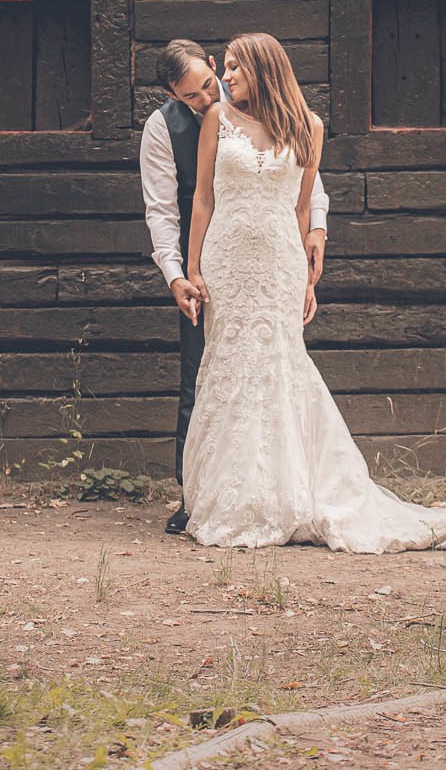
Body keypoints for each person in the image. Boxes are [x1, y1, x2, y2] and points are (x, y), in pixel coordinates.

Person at [178, 32, 446, 553]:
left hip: (278, 262)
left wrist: (304, 274)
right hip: (228, 261)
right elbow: (203, 198)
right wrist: (192, 266)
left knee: (279, 365)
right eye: (225, 68)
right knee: (231, 365)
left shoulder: (309, 127)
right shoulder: (218, 120)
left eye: (234, 68)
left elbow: (301, 209)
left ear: (263, 69)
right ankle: (232, 499)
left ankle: (290, 494)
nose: (225, 78)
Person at [139, 39, 329, 535]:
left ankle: (280, 488)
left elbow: (305, 183)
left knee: (274, 371)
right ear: (172, 95)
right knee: (202, 374)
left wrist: (316, 231)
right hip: (217, 258)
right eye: (190, 97)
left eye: (208, 84)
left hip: (275, 260)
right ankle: (197, 494)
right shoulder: (163, 128)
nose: (205, 98)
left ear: (211, 64)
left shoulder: (270, 101)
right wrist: (180, 271)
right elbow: (168, 207)